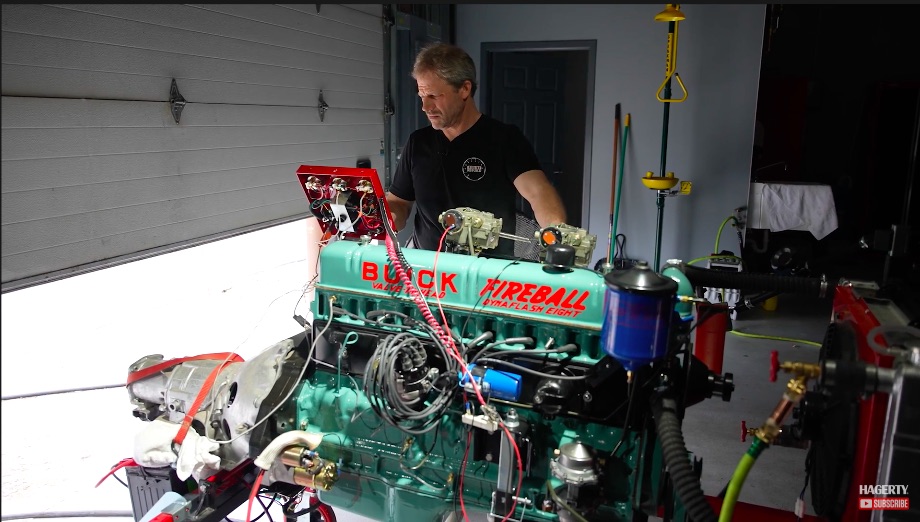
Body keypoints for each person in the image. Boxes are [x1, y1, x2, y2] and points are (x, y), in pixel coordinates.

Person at [386, 42, 567, 256]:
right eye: (422, 97)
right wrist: (383, 218)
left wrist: (557, 238)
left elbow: (539, 193)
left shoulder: (504, 139)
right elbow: (399, 201)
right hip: (427, 266)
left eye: (434, 96)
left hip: (488, 269)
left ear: (465, 89)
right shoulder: (418, 142)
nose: (425, 107)